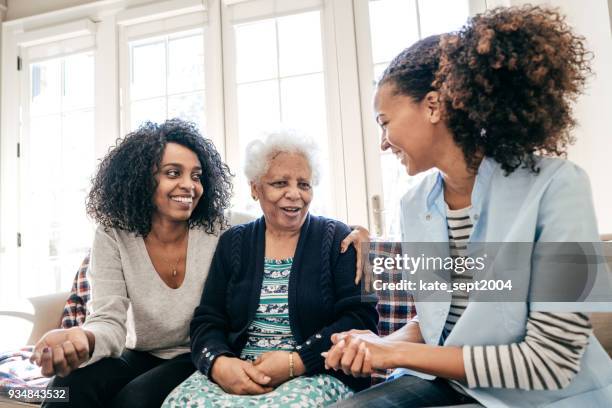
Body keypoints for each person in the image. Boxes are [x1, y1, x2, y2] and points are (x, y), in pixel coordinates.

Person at [324, 6, 612, 407]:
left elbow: (552, 362)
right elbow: (438, 322)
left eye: (384, 121)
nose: (383, 141)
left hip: (545, 395)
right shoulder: (413, 203)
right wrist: (378, 343)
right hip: (452, 384)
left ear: (433, 105)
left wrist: (395, 353)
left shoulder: (560, 185)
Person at [163, 130, 379, 407]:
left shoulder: (340, 238)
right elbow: (208, 319)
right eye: (280, 183)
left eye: (304, 184)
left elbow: (361, 320)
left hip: (316, 373)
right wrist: (219, 364)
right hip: (242, 370)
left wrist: (296, 362)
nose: (294, 194)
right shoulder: (234, 242)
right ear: (255, 188)